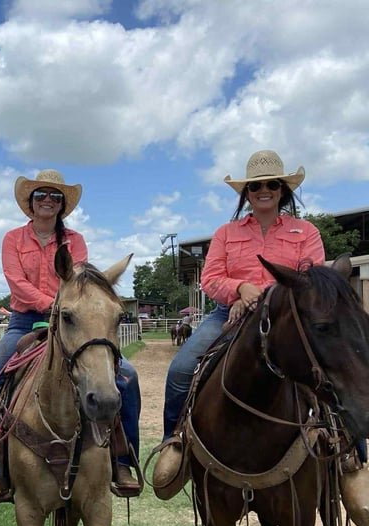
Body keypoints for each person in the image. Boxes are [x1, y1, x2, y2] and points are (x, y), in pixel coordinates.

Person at [152, 150, 369, 505]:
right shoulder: (226, 233)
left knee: (337, 363)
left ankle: (353, 457)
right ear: (247, 193)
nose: (264, 190)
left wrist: (261, 296)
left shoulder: (306, 232)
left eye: (272, 184)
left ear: (282, 190)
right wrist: (239, 289)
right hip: (229, 314)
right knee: (180, 369)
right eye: (255, 186)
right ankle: (174, 441)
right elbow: (211, 278)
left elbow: (313, 283)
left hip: (288, 319)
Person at [0, 169, 142, 493]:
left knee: (128, 378)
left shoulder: (75, 241)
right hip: (25, 321)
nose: (47, 200)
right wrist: (52, 305)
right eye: (41, 195)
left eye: (54, 196)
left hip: (72, 321)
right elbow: (16, 283)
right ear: (30, 202)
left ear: (62, 204)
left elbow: (80, 283)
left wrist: (66, 310)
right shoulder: (12, 239)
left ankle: (122, 459)